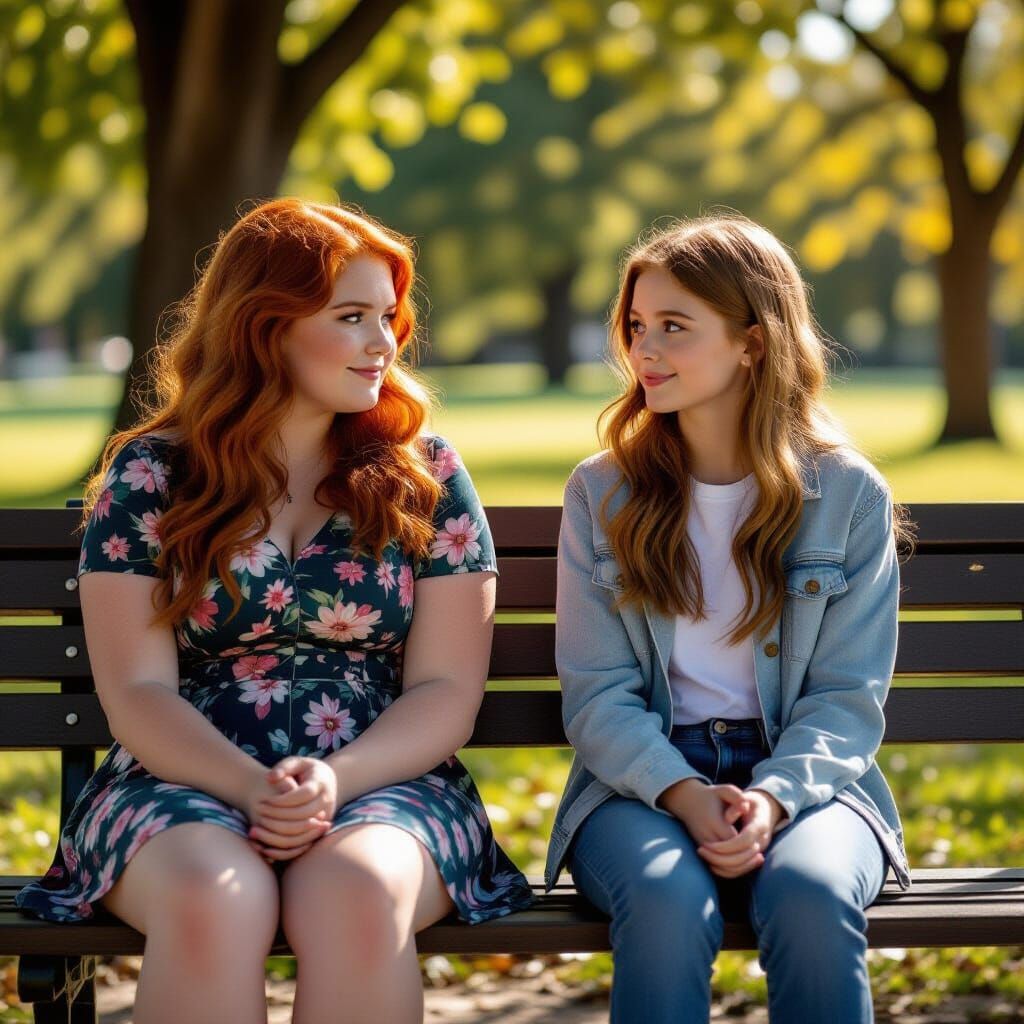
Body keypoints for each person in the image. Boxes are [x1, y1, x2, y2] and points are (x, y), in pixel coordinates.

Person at [15, 198, 534, 1024]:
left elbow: (444, 687)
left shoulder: (423, 474)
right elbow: (137, 693)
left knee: (357, 893)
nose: (383, 343)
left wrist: (333, 781)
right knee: (214, 896)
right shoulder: (153, 476)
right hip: (177, 777)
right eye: (352, 315)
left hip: (386, 779)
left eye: (389, 317)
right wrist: (249, 787)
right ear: (266, 325)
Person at [543, 212, 916, 1024]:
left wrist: (774, 796)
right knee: (668, 901)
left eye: (675, 327)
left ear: (753, 340)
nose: (644, 351)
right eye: (637, 326)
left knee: (813, 896)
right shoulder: (601, 494)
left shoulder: (846, 497)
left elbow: (847, 701)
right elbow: (598, 695)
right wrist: (682, 792)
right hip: (640, 782)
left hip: (809, 783)